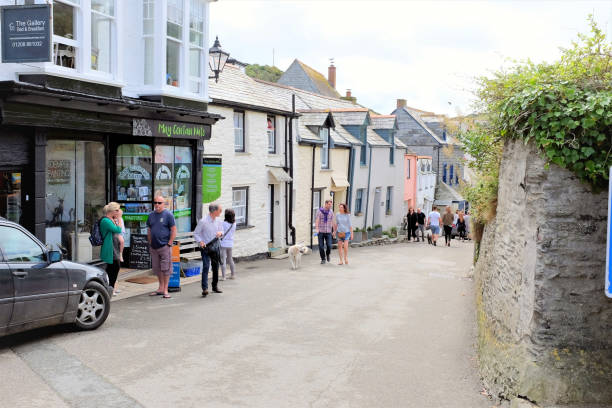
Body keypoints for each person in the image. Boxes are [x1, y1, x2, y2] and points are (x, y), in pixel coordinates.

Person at [146, 195, 177, 299]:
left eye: (159, 203)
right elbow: (149, 230)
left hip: (164, 246)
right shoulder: (151, 215)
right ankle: (160, 287)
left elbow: (173, 229)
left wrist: (169, 243)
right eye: (155, 203)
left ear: (164, 204)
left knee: (166, 268)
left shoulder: (168, 215)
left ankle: (165, 289)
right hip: (154, 247)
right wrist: (150, 242)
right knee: (157, 268)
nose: (157, 205)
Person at [194, 203, 224, 297]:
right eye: (220, 210)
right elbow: (196, 233)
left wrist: (220, 233)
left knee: (216, 267)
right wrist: (201, 242)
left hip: (215, 246)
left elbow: (222, 231)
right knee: (206, 267)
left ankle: (215, 286)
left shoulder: (218, 220)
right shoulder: (203, 221)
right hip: (206, 247)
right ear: (214, 211)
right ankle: (205, 288)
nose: (221, 212)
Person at [100, 202, 124, 294]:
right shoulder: (105, 220)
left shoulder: (111, 219)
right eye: (117, 210)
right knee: (113, 268)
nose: (119, 212)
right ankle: (109, 289)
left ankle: (110, 288)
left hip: (114, 248)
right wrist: (119, 219)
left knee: (114, 269)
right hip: (110, 249)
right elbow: (118, 229)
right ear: (112, 211)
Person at [315, 199, 335, 264]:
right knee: (321, 246)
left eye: (331, 204)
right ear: (326, 204)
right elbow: (317, 221)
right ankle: (323, 259)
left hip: (328, 232)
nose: (330, 206)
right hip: (320, 231)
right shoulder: (319, 211)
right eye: (329, 204)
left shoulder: (331, 212)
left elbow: (332, 222)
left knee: (329, 246)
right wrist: (317, 229)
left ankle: (328, 254)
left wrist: (334, 231)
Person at [220, 208, 237, 280]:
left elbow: (220, 233)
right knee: (230, 259)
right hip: (230, 243)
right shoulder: (234, 224)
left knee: (223, 260)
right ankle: (233, 275)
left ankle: (224, 277)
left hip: (223, 243)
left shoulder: (223, 223)